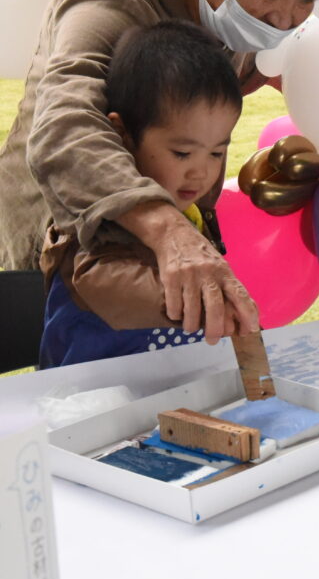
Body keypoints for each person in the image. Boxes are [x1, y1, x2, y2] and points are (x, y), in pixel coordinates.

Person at [0, 0, 319, 344]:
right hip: (68, 236)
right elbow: (65, 124)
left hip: (158, 238)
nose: (284, 18)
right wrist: (169, 231)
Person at [39, 21, 242, 367]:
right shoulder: (101, 214)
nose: (201, 172)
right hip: (89, 392)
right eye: (182, 153)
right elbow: (101, 281)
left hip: (164, 387)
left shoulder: (187, 211)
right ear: (123, 134)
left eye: (216, 153)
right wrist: (208, 303)